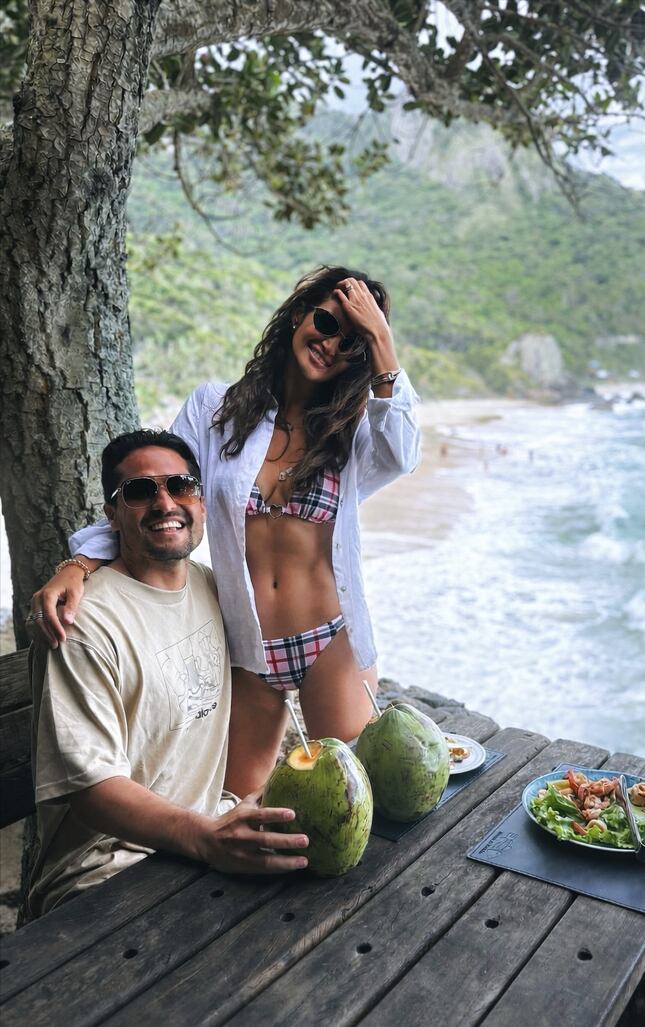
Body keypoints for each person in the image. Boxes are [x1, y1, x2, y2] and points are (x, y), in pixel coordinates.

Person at [30, 266, 420, 798]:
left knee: (356, 798)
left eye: (353, 343)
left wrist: (382, 341)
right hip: (247, 644)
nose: (331, 345)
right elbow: (156, 495)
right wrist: (79, 564)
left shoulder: (353, 432)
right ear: (298, 315)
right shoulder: (216, 409)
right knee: (237, 798)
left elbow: (405, 451)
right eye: (326, 322)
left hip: (332, 640)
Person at [25, 430, 308, 919]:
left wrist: (227, 813)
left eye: (180, 486)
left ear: (199, 499)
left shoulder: (216, 589)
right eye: (139, 491)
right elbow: (90, 784)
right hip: (106, 871)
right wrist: (204, 838)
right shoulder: (81, 621)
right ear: (111, 514)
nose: (164, 502)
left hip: (201, 841)